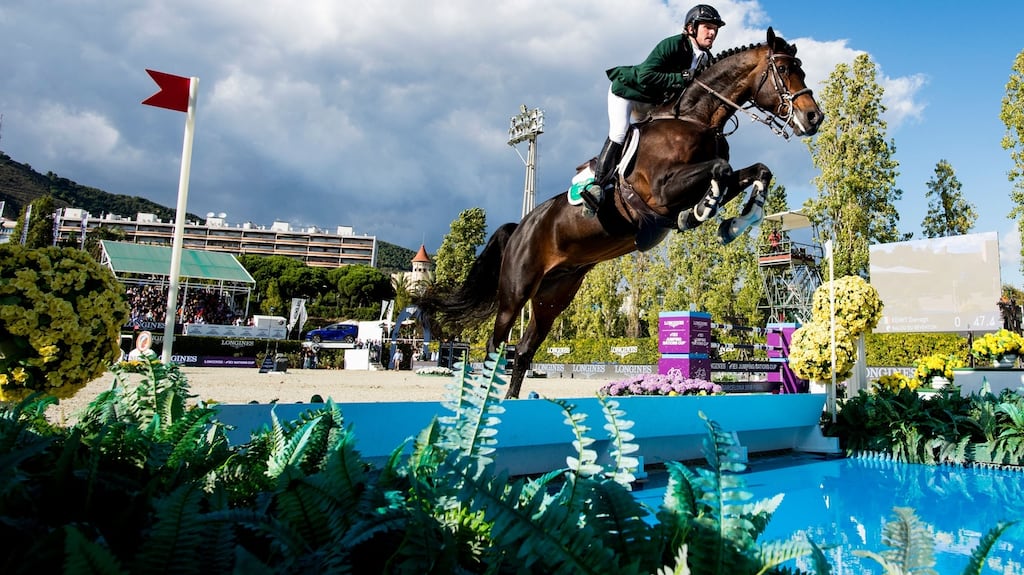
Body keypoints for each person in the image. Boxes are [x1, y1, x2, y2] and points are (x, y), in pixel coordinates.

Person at [581, 4, 725, 212]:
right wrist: (681, 77)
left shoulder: (706, 60)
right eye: (707, 27)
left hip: (654, 103)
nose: (712, 33)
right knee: (620, 132)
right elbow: (645, 75)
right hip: (629, 92)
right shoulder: (673, 45)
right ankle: (597, 187)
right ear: (691, 28)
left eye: (715, 29)